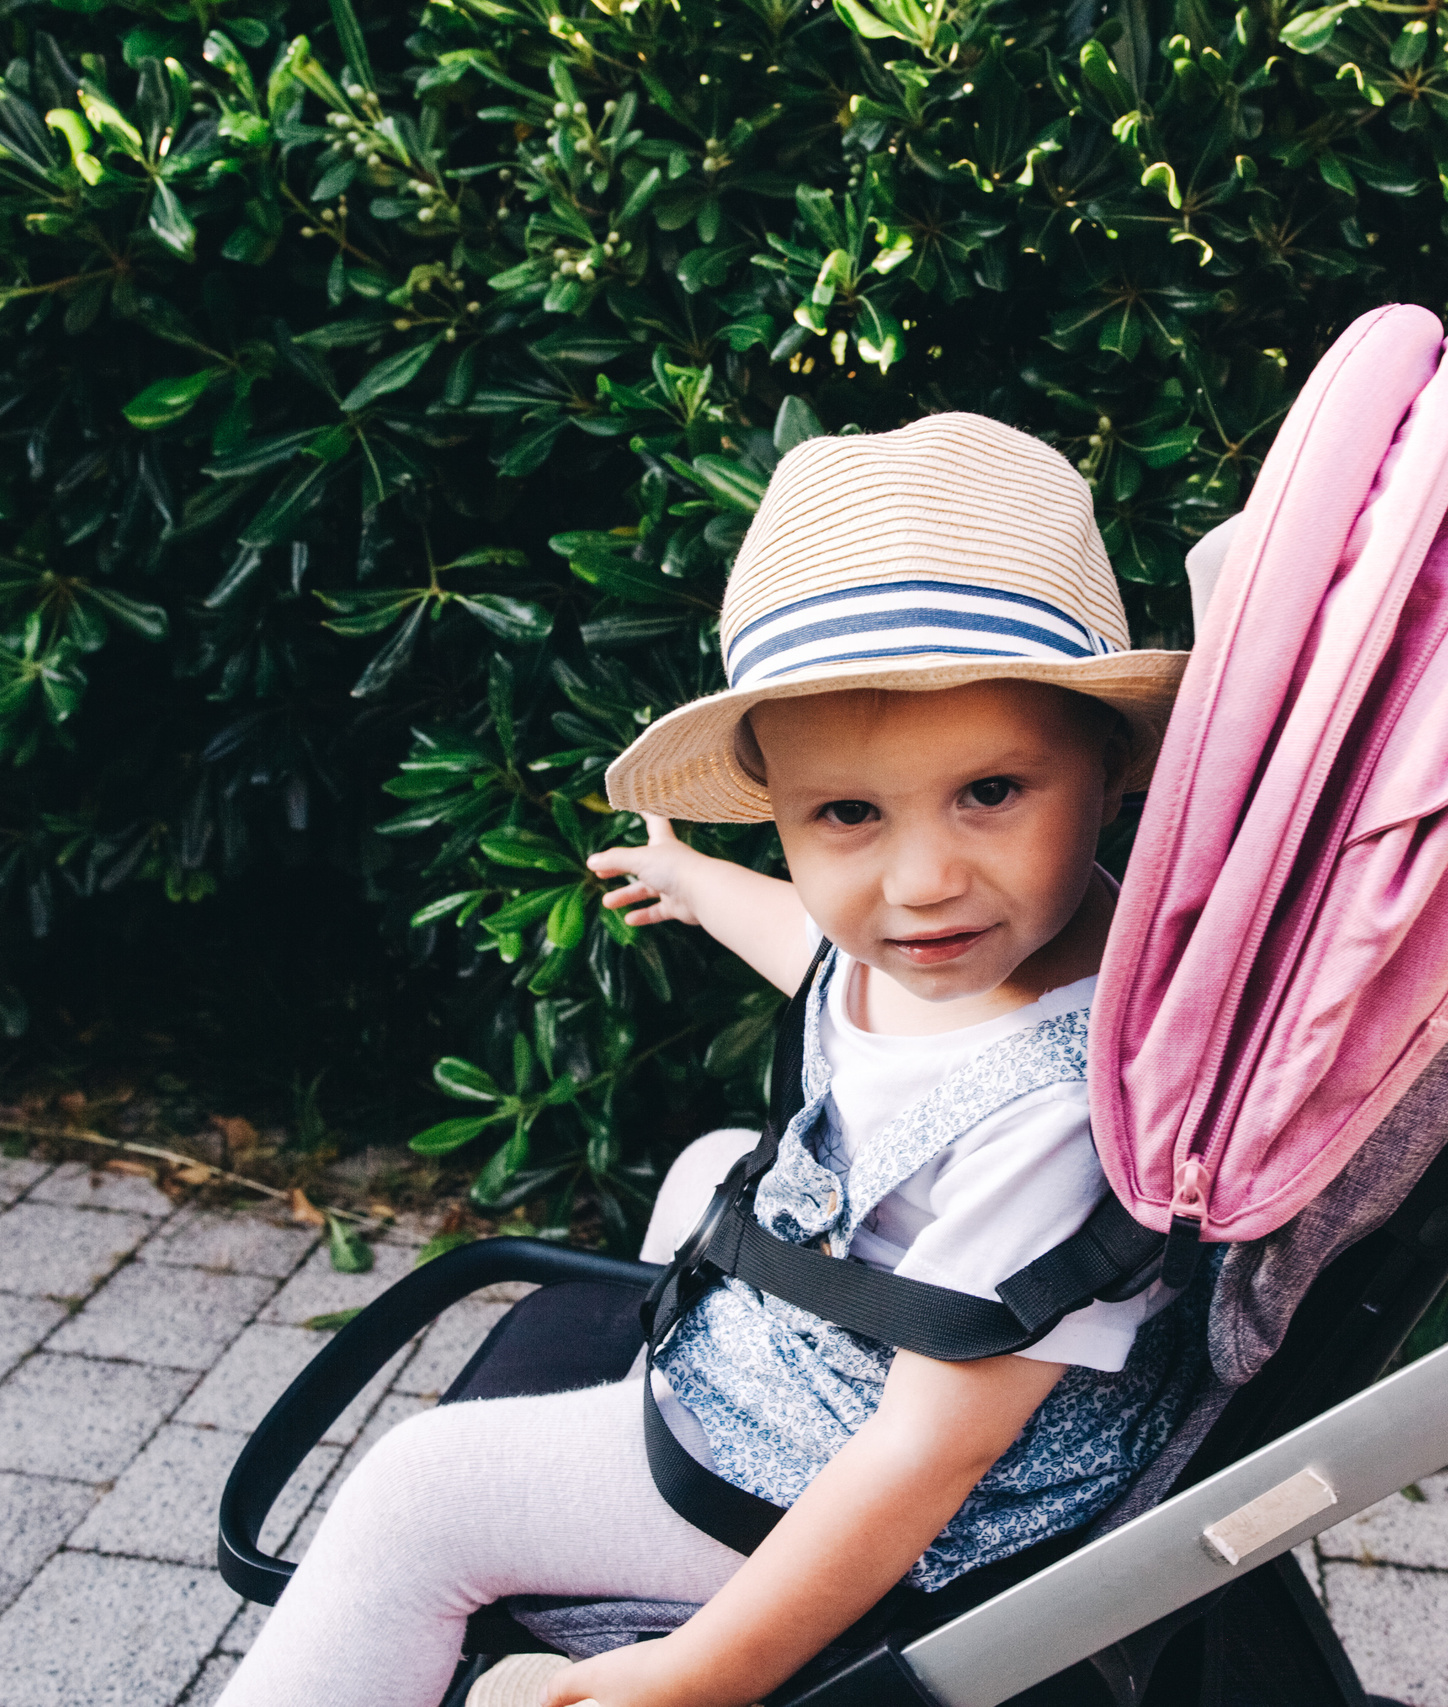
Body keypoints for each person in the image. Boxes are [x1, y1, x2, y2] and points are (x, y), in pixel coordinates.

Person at [219, 414, 1198, 1707]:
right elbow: (820, 960)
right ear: (787, 809)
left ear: (1114, 764)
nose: (922, 881)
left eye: (992, 793)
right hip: (850, 1363)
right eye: (848, 814)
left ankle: (626, 1570)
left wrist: (696, 1678)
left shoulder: (1061, 1116)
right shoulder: (995, 935)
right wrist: (692, 876)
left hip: (929, 1505)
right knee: (715, 1165)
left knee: (418, 1495)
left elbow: (924, 1462)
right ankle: (632, 1460)